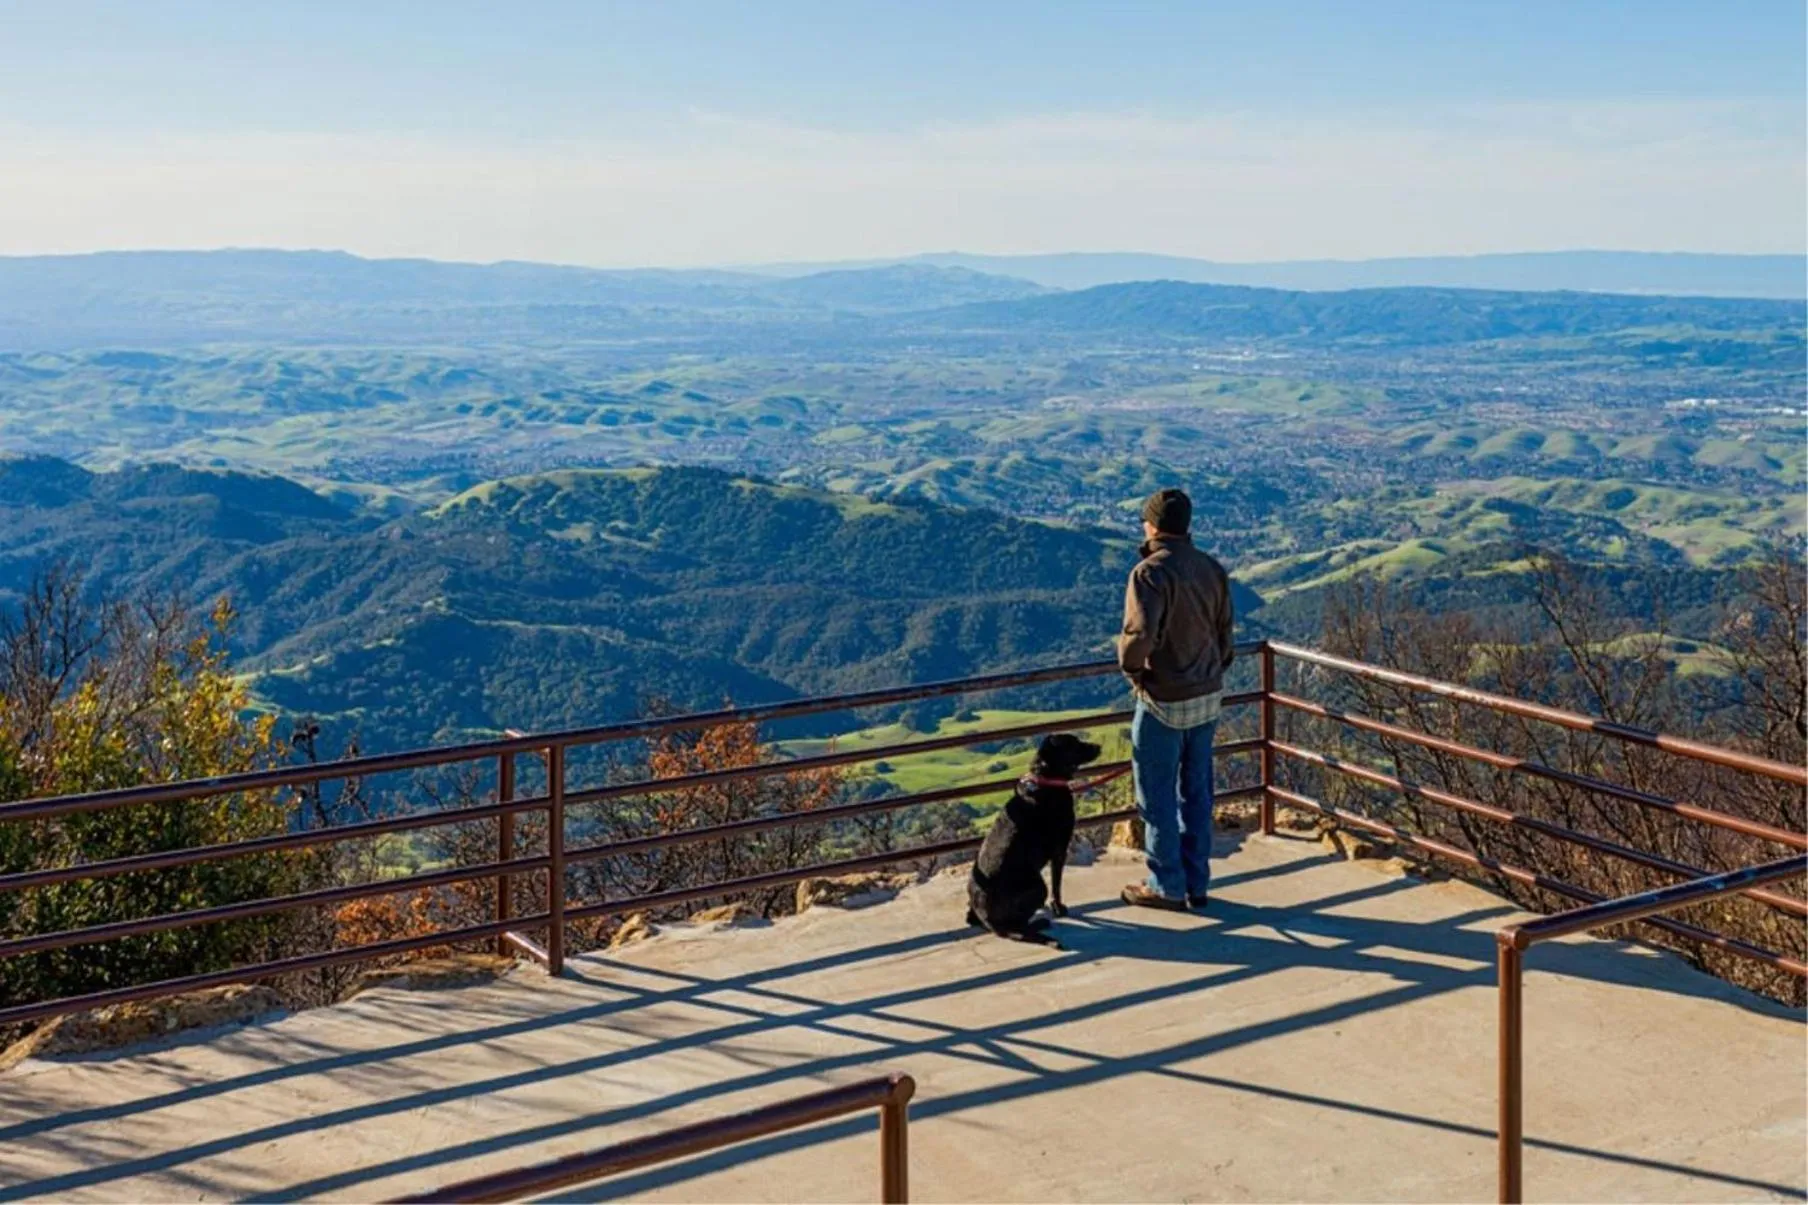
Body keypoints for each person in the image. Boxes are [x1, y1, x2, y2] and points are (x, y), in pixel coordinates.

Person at [1115, 487, 1235, 911]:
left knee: (1157, 796)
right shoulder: (1211, 569)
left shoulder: (1149, 573)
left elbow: (1139, 635)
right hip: (1207, 697)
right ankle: (1197, 883)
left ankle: (1166, 884)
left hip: (1163, 700)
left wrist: (1133, 670)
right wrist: (1212, 670)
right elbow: (1225, 634)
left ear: (1151, 525)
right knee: (1198, 793)